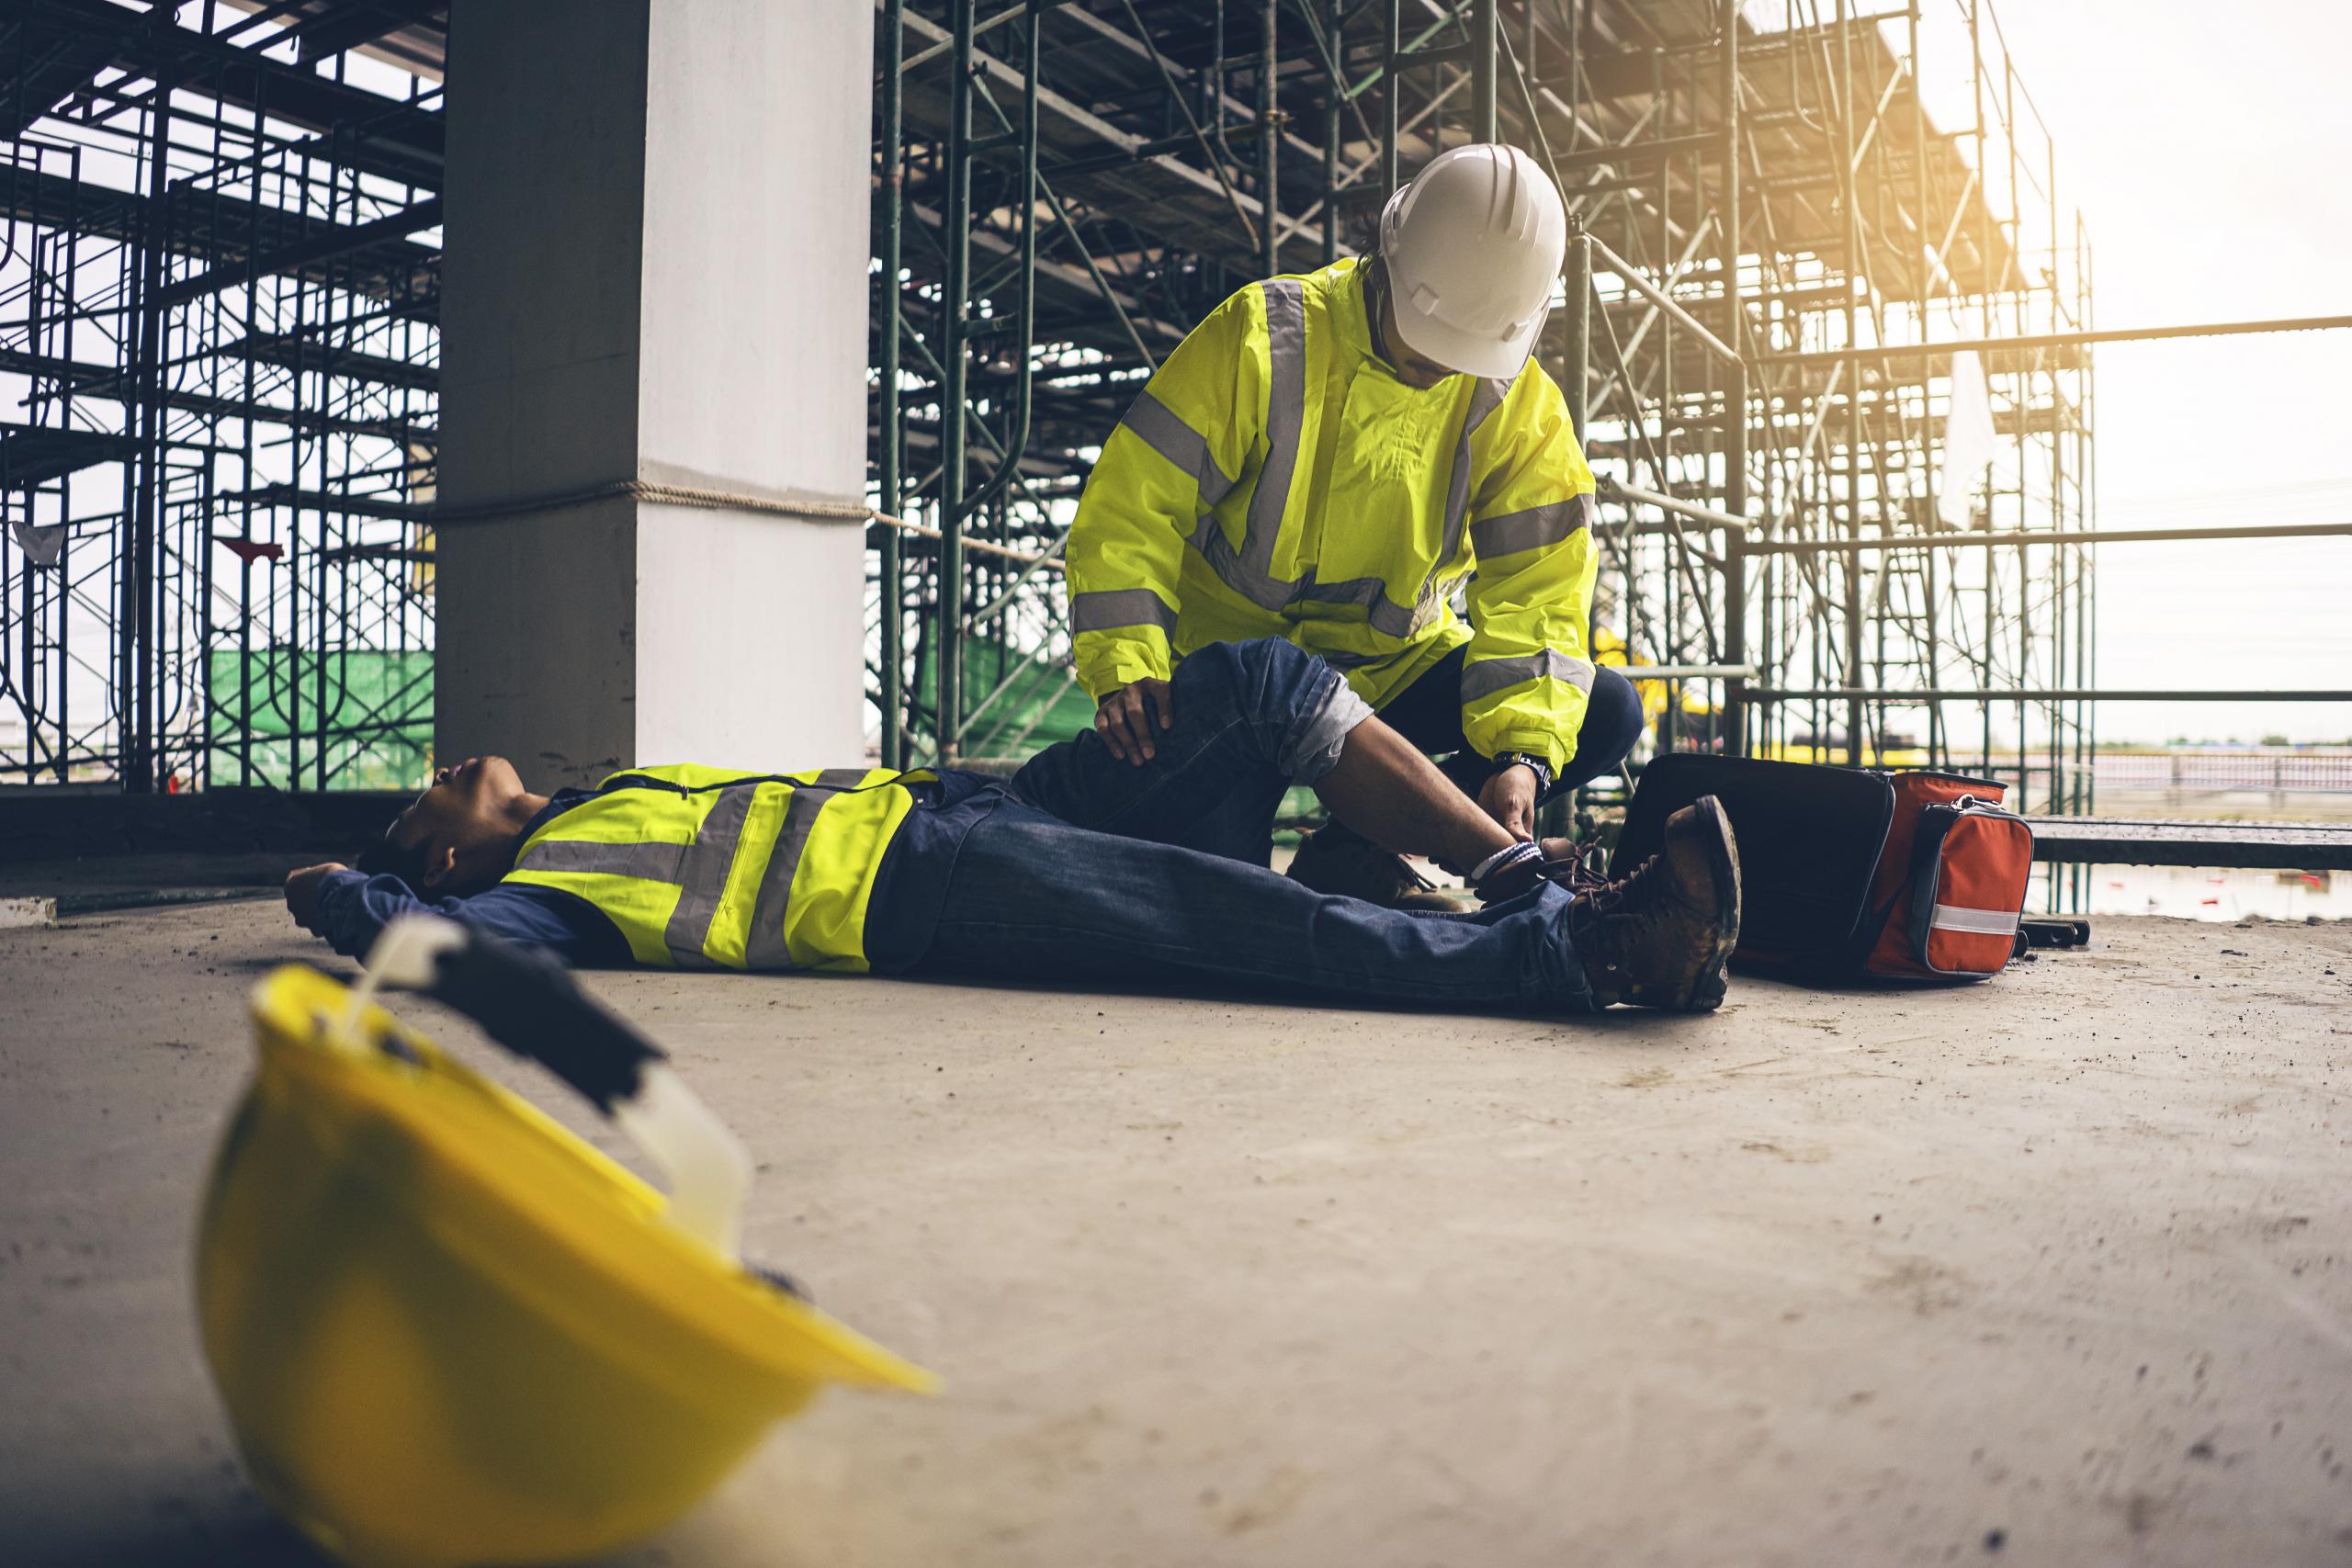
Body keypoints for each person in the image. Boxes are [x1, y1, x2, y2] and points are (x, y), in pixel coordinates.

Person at [285, 638, 1740, 1014]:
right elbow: (432, 942)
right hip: (929, 891)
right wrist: (343, 885)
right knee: (1244, 926)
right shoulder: (540, 888)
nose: (447, 763)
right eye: (424, 797)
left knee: (1249, 691)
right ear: (450, 845)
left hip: (959, 805)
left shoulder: (599, 795)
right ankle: (1585, 953)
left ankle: (1512, 872)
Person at [1065, 143, 1645, 909]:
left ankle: (1358, 848)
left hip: (1390, 678)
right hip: (1238, 687)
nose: (1437, 369)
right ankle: (1320, 835)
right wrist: (1127, 666)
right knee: (1220, 892)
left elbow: (1540, 594)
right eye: (1422, 344)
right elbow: (1132, 504)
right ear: (1386, 257)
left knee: (1608, 709)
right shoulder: (1265, 337)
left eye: (1461, 355)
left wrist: (1522, 757)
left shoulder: (1519, 410)